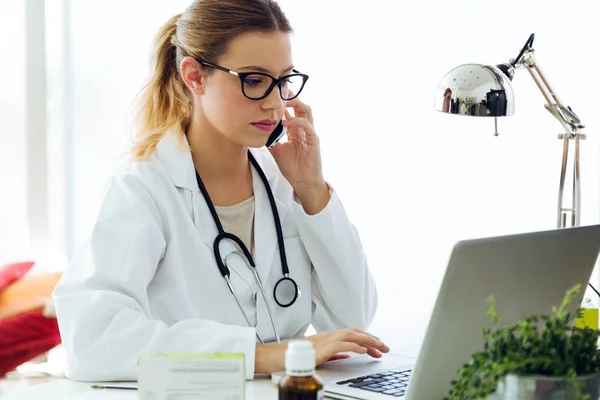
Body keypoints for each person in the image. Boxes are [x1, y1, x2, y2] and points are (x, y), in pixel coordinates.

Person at [52, 0, 387, 382]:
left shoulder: (284, 181)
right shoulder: (145, 189)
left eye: (284, 81)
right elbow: (91, 341)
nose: (276, 104)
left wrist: (312, 189)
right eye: (254, 80)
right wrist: (263, 357)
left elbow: (353, 317)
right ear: (194, 76)